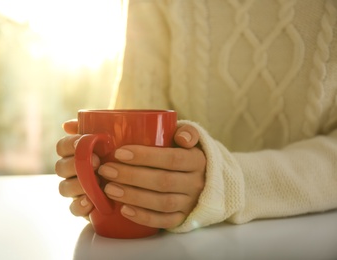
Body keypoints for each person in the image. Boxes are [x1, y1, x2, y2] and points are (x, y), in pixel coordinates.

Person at [55, 0, 337, 233]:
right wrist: (101, 184)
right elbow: (135, 120)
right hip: (182, 243)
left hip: (314, 235)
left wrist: (229, 183)